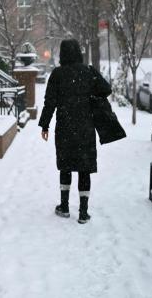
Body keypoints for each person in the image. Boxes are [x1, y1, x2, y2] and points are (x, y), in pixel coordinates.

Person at [38, 39, 111, 224]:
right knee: (84, 168)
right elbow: (106, 89)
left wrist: (44, 125)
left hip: (65, 128)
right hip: (85, 128)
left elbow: (50, 102)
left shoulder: (57, 74)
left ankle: (64, 206)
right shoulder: (88, 72)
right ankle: (83, 212)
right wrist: (92, 97)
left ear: (62, 54)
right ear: (79, 53)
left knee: (66, 166)